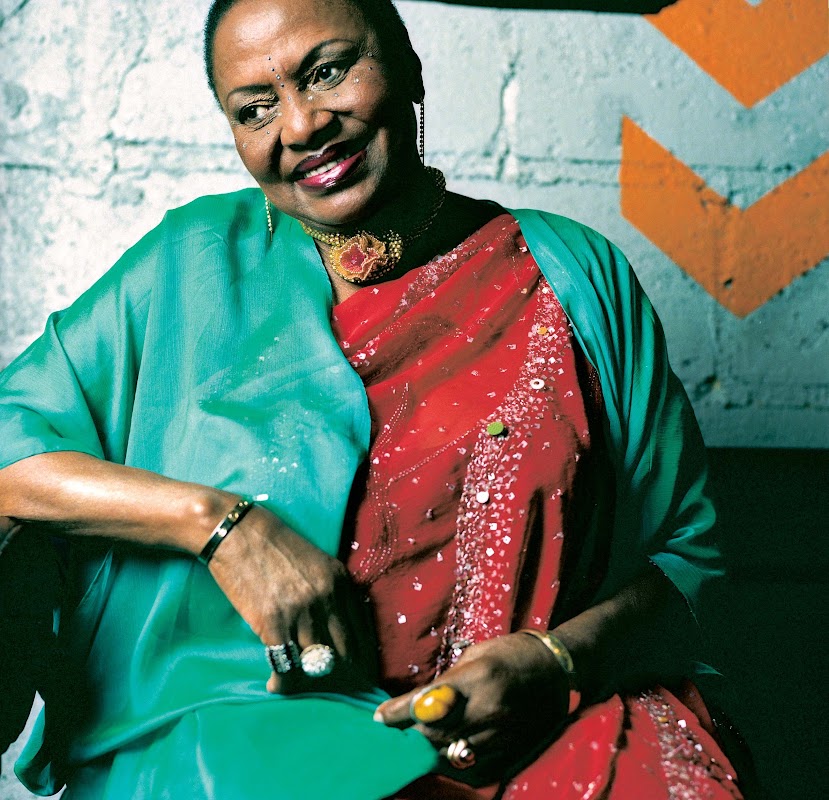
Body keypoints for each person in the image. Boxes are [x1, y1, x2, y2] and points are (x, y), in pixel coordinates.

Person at [0, 0, 745, 797]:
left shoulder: (571, 276)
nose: (300, 125)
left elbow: (687, 561)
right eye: (254, 109)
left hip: (542, 722)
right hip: (239, 740)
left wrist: (554, 661)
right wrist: (218, 525)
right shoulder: (190, 266)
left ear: (408, 67)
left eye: (327, 72)